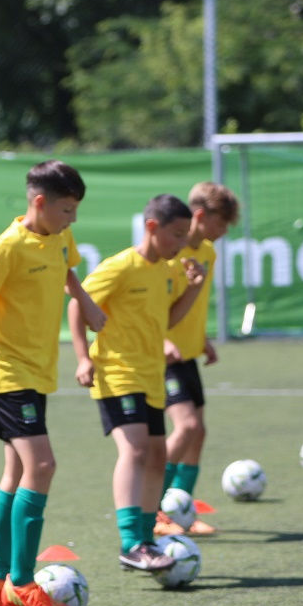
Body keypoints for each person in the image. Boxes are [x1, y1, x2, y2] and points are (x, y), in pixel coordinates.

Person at [0, 160, 104, 606]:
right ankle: (22, 582)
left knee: (16, 472)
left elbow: (67, 272)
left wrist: (87, 303)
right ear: (40, 203)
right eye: (66, 210)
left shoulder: (59, 238)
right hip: (7, 373)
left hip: (37, 371)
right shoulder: (8, 246)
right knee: (43, 464)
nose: (71, 219)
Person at [69, 194, 206, 572]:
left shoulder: (167, 270)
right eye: (176, 235)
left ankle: (146, 540)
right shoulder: (120, 267)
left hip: (151, 377)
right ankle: (131, 542)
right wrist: (83, 357)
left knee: (158, 455)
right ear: (151, 227)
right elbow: (77, 303)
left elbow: (168, 320)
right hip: (116, 372)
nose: (181, 244)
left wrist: (193, 287)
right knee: (135, 451)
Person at [157, 182, 241, 537]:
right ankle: (155, 510)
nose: (223, 234)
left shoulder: (207, 252)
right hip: (162, 355)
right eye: (221, 225)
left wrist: (202, 339)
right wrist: (161, 341)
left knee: (199, 432)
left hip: (188, 352)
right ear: (201, 216)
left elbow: (192, 304)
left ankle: (181, 511)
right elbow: (147, 308)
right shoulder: (167, 252)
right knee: (187, 427)